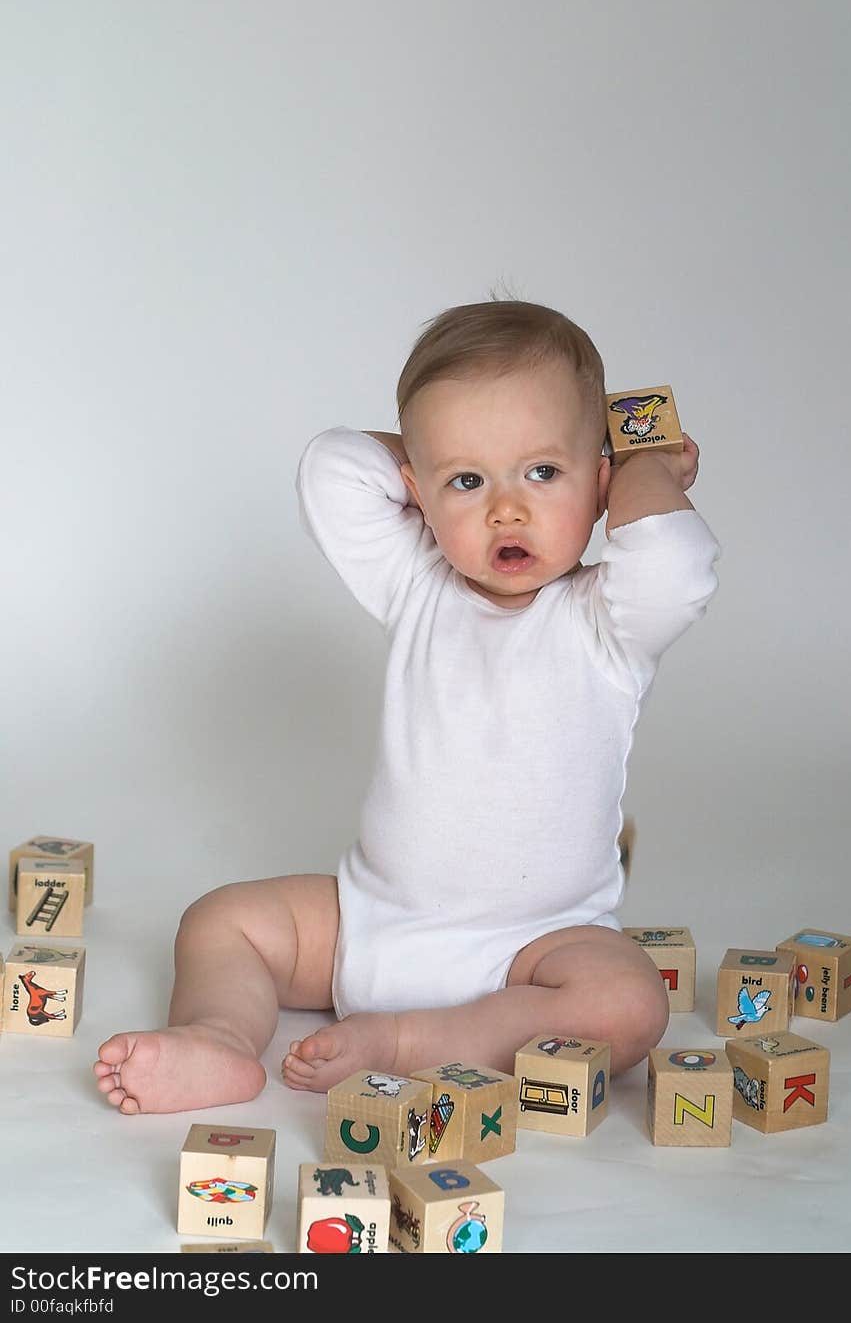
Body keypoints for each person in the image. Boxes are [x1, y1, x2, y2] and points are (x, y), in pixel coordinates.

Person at [93, 298, 720, 1114]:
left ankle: (409, 1041)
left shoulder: (607, 622)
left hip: (533, 953)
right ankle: (218, 1038)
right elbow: (332, 468)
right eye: (469, 480)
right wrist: (437, 458)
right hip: (369, 921)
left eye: (542, 471)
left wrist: (647, 465)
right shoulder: (420, 581)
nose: (505, 507)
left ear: (599, 485)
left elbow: (675, 562)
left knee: (630, 1003)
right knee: (221, 921)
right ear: (418, 491)